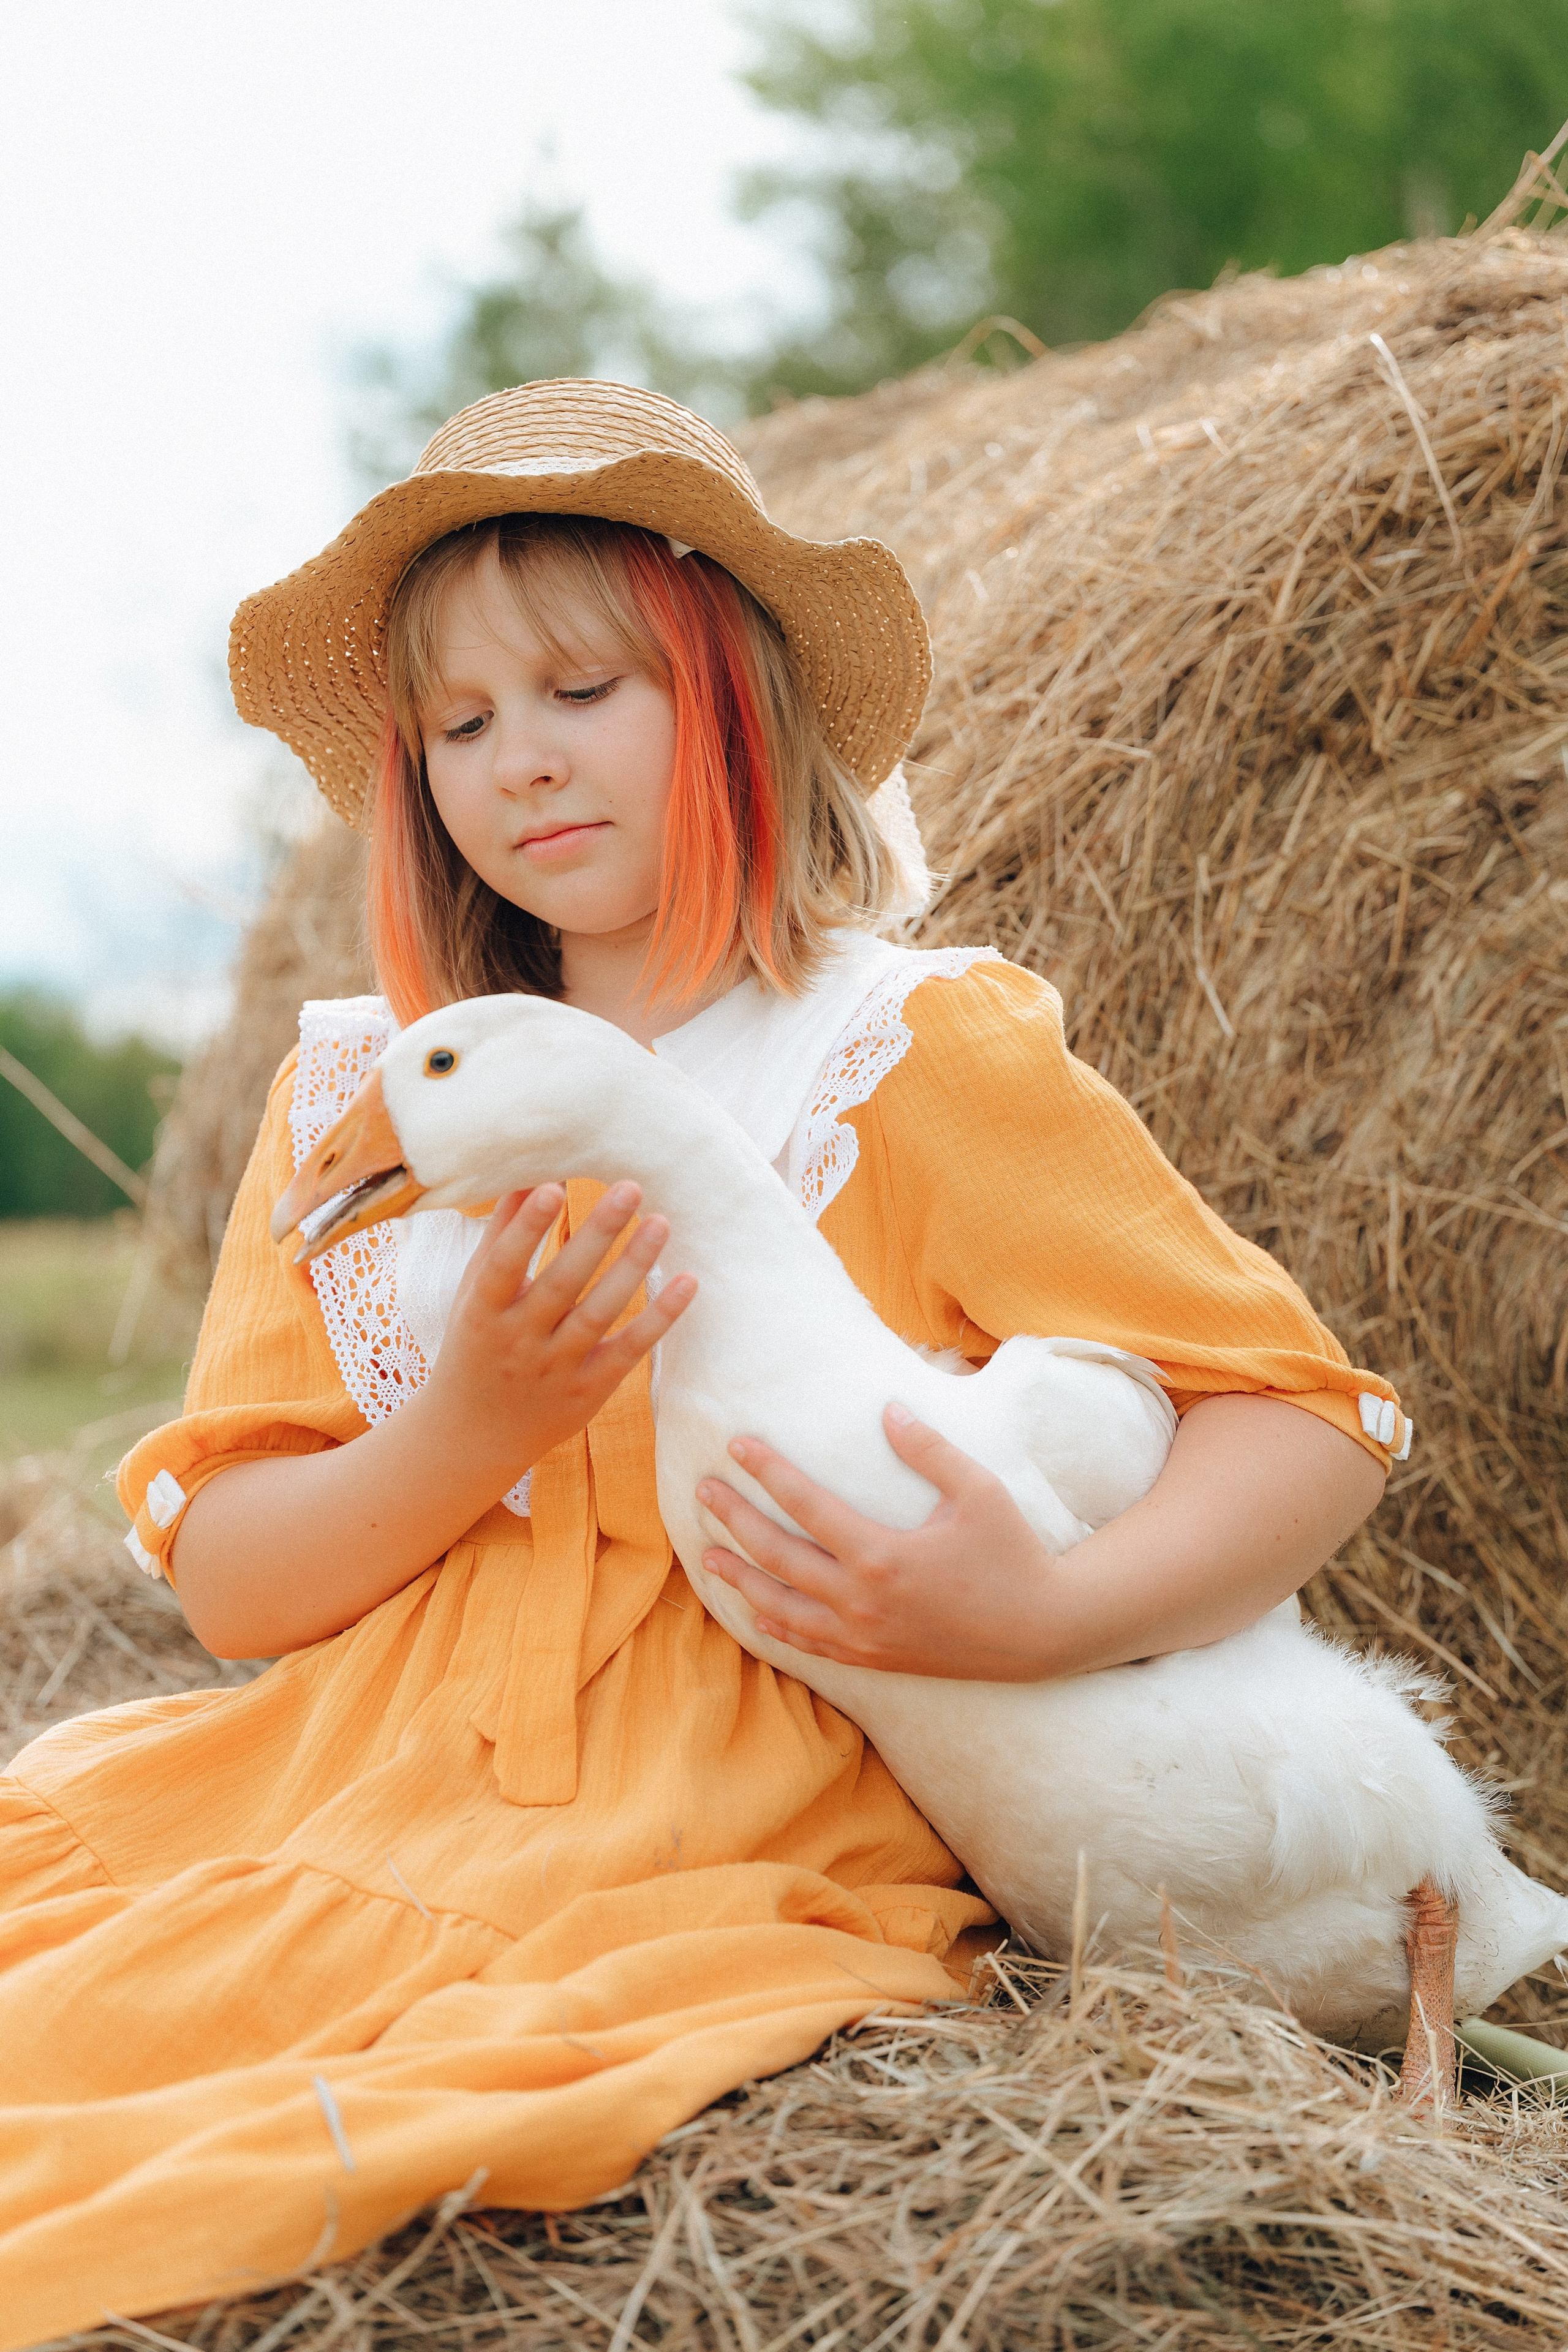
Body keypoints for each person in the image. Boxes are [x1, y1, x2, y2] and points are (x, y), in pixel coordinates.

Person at [0, 381, 1400, 2341]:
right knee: (73, 1997)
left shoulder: (904, 1053)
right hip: (360, 1761)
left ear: (730, 689)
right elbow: (235, 1580)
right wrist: (479, 1419)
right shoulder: (370, 1099)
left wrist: (1044, 1613)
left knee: (273, 2105)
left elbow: (1309, 1422)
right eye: (464, 725)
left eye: (583, 689)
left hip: (721, 1792)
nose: (521, 765)